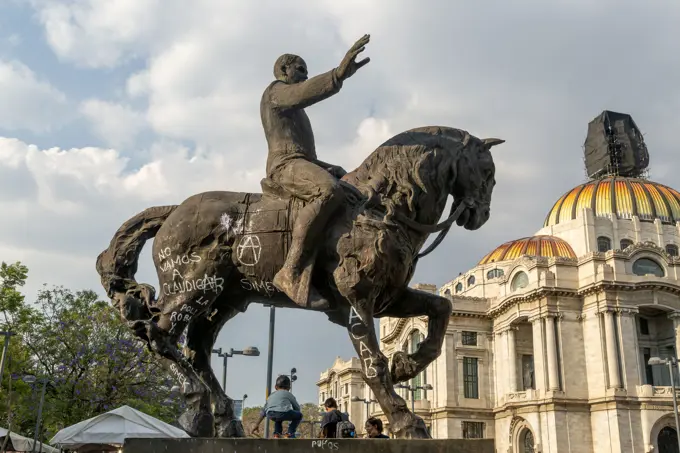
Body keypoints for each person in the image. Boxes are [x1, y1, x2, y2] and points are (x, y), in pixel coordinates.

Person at [261, 34, 371, 311]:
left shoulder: (295, 109)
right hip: (284, 167)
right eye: (300, 70)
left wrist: (331, 168)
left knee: (349, 190)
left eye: (306, 73)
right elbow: (305, 92)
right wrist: (337, 74)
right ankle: (291, 271)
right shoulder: (276, 92)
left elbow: (306, 156)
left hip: (299, 163)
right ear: (284, 70)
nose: (303, 76)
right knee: (328, 190)